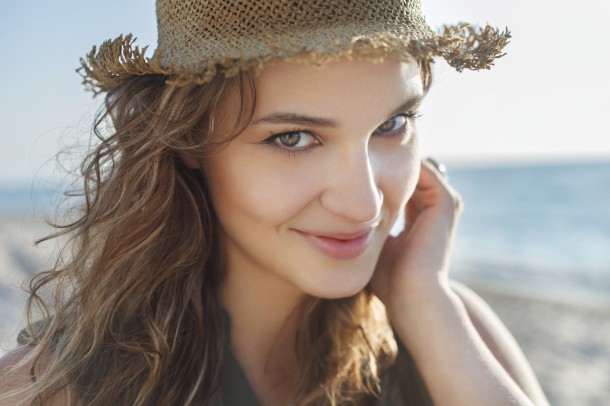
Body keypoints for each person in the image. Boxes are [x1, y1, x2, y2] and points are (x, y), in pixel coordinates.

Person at [0, 0, 549, 405]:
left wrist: (423, 303)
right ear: (187, 142)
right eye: (293, 138)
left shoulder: (453, 330)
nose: (364, 204)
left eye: (392, 124)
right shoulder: (51, 388)